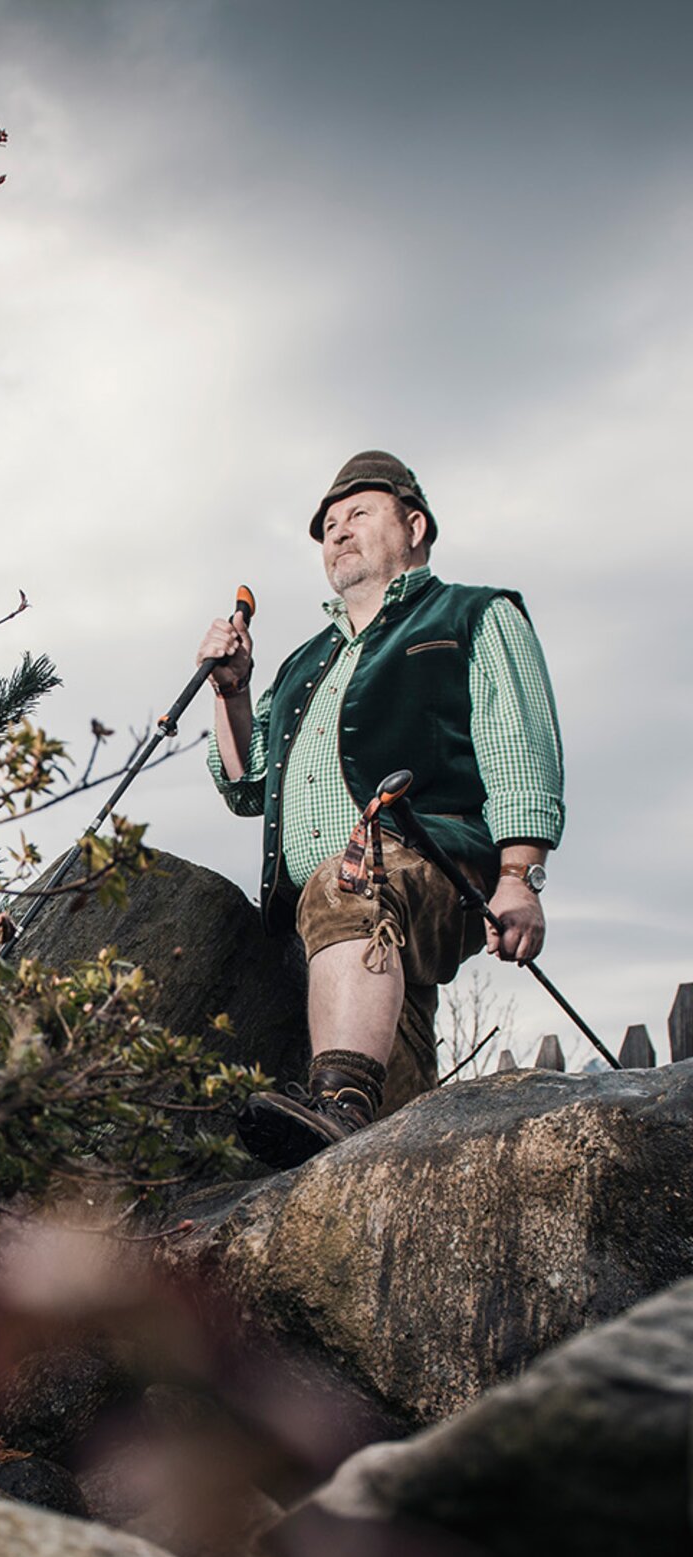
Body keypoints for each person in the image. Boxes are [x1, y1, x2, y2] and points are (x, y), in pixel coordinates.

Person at [199, 451, 564, 1169]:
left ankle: (338, 1100)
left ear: (415, 525)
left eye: (359, 514)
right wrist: (233, 694)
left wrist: (521, 875)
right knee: (395, 1117)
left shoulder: (472, 614)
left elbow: (518, 741)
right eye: (328, 526)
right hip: (323, 923)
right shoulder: (305, 663)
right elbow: (248, 785)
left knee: (351, 881)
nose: (337, 533)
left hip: (436, 865)